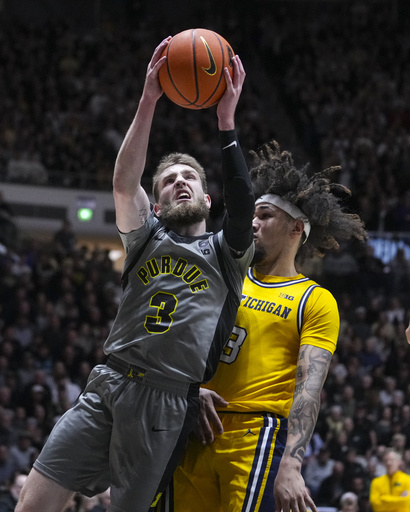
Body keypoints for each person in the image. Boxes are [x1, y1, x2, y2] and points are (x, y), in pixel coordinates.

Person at [15, 36, 254, 512]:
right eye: (169, 180)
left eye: (190, 178)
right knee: (32, 505)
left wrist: (226, 123)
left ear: (208, 200)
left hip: (167, 401)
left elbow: (244, 205)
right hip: (108, 383)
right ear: (158, 202)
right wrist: (149, 98)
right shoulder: (146, 238)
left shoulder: (226, 252)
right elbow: (124, 183)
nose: (180, 182)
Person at [165, 140, 367, 512]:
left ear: (295, 228)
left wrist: (291, 462)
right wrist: (188, 395)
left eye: (264, 215)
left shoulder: (314, 299)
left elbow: (309, 388)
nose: (252, 223)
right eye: (252, 215)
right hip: (194, 426)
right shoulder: (225, 273)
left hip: (255, 435)